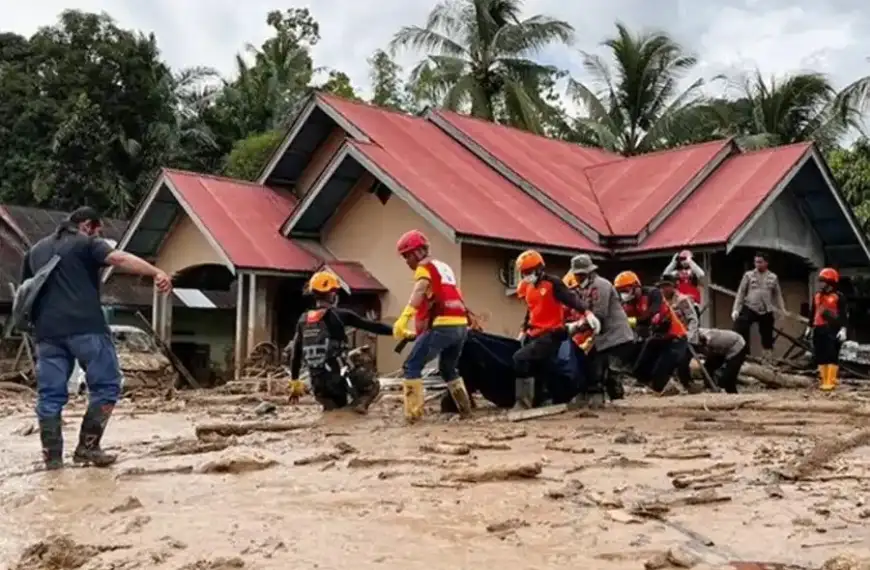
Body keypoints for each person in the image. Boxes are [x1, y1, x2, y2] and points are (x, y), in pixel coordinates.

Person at [23, 207, 172, 470]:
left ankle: (53, 460)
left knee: (49, 395)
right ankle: (88, 449)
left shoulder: (35, 250)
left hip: (47, 333)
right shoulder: (87, 242)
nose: (99, 234)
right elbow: (119, 259)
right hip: (86, 327)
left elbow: (26, 291)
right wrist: (155, 272)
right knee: (107, 385)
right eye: (98, 229)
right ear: (88, 225)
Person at [392, 229, 473, 422]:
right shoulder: (443, 267)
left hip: (442, 325)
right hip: (460, 326)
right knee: (448, 368)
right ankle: (466, 411)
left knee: (411, 365)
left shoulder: (424, 267)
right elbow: (453, 294)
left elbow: (420, 291)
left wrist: (404, 318)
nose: (407, 262)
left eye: (406, 256)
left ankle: (413, 418)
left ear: (416, 252)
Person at [286, 271, 392, 412]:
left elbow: (296, 354)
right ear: (331, 294)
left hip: (317, 385)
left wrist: (295, 382)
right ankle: (360, 407)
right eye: (335, 291)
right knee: (372, 385)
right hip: (338, 379)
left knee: (333, 411)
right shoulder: (340, 315)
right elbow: (373, 326)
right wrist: (397, 331)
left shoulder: (303, 319)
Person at [513, 250, 598, 410]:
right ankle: (543, 399)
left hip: (552, 333)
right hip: (535, 333)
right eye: (523, 273)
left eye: (529, 272)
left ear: (539, 269)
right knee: (541, 367)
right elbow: (530, 310)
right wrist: (524, 330)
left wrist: (587, 312)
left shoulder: (553, 283)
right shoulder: (528, 287)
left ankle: (523, 403)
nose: (526, 276)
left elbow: (571, 299)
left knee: (520, 358)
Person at [563, 254, 634, 406]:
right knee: (590, 363)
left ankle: (611, 400)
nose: (579, 278)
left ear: (589, 273)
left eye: (581, 275)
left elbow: (598, 315)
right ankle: (593, 398)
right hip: (601, 336)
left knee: (605, 369)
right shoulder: (583, 289)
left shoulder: (601, 286)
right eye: (577, 275)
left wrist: (576, 328)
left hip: (615, 336)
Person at [614, 271, 688, 393]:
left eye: (626, 289)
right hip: (656, 338)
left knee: (660, 375)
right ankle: (649, 389)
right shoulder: (627, 304)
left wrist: (630, 321)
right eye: (621, 291)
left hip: (675, 337)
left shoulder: (653, 294)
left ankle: (671, 390)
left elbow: (650, 316)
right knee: (639, 371)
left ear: (636, 286)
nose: (624, 294)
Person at [732, 252, 786, 361]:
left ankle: (767, 358)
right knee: (740, 326)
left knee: (767, 335)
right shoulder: (748, 275)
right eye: (756, 262)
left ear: (766, 263)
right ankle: (742, 355)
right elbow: (741, 293)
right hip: (750, 307)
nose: (757, 264)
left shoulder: (773, 277)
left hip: (766, 309)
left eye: (760, 262)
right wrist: (736, 309)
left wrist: (782, 310)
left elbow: (778, 295)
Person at [805, 268, 847, 391]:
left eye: (824, 281)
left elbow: (843, 314)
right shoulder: (817, 296)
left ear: (831, 282)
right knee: (820, 354)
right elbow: (812, 312)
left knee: (831, 354)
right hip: (818, 328)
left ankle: (831, 380)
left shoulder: (839, 297)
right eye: (820, 281)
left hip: (832, 329)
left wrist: (843, 329)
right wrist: (809, 327)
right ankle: (823, 380)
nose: (821, 284)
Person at [658, 273, 701, 391]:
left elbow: (693, 319)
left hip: (685, 336)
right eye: (661, 287)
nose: (664, 289)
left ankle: (689, 386)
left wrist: (690, 336)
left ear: (673, 286)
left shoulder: (682, 300)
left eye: (666, 286)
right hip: (669, 337)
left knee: (682, 362)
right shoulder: (661, 302)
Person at [696, 328, 746, 394]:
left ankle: (733, 396)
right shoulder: (697, 335)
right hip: (721, 349)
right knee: (707, 368)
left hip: (737, 346)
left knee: (728, 378)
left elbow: (707, 340)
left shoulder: (708, 338)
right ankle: (710, 388)